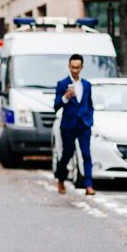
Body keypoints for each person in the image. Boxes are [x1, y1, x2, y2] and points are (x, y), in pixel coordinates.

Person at [54, 54, 95, 195]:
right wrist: (65, 97)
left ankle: (89, 185)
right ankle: (61, 179)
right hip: (68, 126)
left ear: (82, 67)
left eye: (78, 67)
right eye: (72, 67)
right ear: (69, 66)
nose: (75, 70)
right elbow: (56, 106)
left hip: (84, 125)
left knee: (86, 154)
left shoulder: (87, 85)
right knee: (67, 154)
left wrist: (90, 119)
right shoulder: (62, 84)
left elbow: (90, 104)